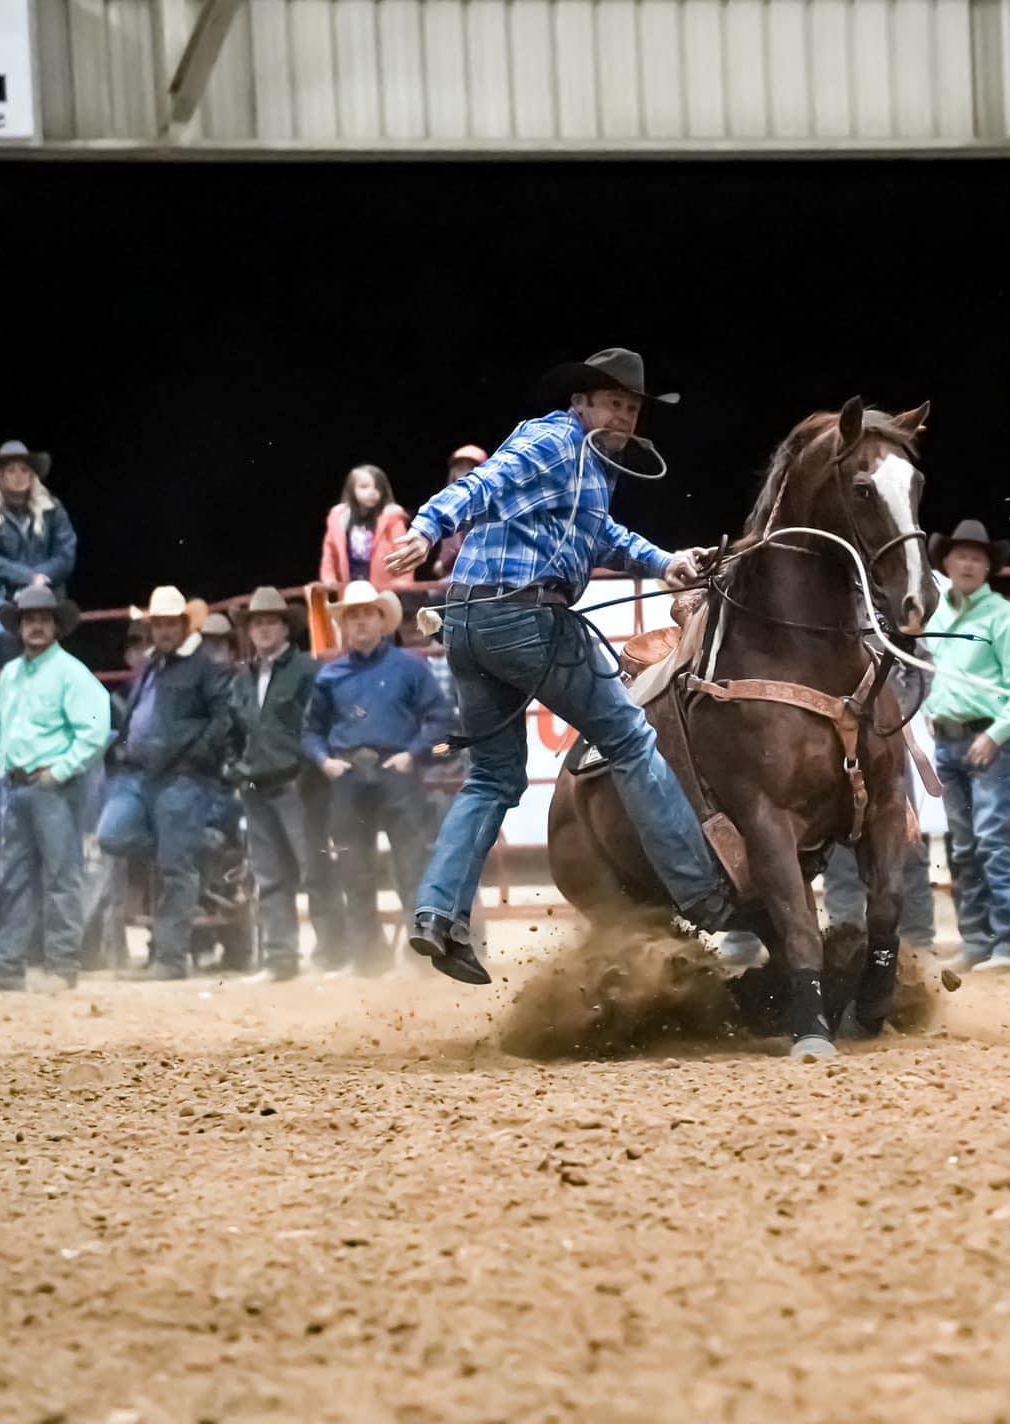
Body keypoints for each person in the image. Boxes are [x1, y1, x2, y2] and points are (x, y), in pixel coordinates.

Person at [382, 348, 742, 984]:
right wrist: (429, 525)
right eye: (614, 403)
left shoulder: (590, 467)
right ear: (581, 402)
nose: (625, 417)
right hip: (522, 616)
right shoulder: (554, 440)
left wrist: (664, 563)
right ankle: (704, 896)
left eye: (632, 409)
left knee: (493, 777)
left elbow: (600, 535)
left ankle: (438, 914)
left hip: (468, 622)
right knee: (630, 739)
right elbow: (483, 483)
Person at [303, 582, 451, 976]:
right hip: (349, 774)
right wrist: (324, 761)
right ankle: (368, 959)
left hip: (395, 771)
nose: (359, 622)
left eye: (367, 613)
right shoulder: (329, 675)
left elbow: (440, 718)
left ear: (382, 621)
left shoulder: (410, 667)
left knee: (411, 865)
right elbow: (311, 730)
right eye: (352, 615)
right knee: (355, 870)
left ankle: (421, 957)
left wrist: (413, 754)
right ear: (345, 625)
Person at [91, 586, 234, 981]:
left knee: (175, 869)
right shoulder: (154, 665)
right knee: (112, 835)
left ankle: (170, 960)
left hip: (181, 777)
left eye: (171, 623)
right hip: (141, 775)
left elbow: (224, 718)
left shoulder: (204, 666)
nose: (164, 630)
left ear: (185, 625)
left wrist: (195, 755)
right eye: (158, 624)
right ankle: (187, 840)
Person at [923, 521, 1010, 974]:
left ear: (989, 566)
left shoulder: (1005, 617)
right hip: (949, 740)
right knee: (963, 844)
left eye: (977, 557)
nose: (969, 564)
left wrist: (995, 734)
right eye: (961, 556)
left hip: (988, 738)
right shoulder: (937, 615)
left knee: (990, 839)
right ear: (947, 563)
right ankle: (977, 938)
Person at [0, 585, 109, 993]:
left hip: (52, 786)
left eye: (43, 619)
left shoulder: (72, 672)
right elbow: (3, 727)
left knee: (61, 876)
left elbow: (96, 729)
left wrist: (61, 770)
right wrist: (1, 761)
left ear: (55, 625)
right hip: (18, 785)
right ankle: (8, 967)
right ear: (19, 627)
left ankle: (61, 965)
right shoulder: (10, 674)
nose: (36, 626)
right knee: (16, 878)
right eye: (29, 620)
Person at [230, 586, 343, 982]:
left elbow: (319, 727)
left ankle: (332, 953)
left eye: (269, 622)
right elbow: (232, 729)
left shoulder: (307, 672)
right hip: (256, 787)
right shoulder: (243, 677)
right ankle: (280, 959)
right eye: (256, 623)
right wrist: (236, 768)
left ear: (284, 628)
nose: (262, 629)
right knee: (270, 876)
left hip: (297, 785)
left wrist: (305, 771)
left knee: (313, 870)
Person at [0, 441, 77, 663]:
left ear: (32, 475)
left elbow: (66, 552)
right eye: (11, 470)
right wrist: (28, 577)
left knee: (49, 644)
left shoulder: (52, 509)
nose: (19, 475)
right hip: (0, 593)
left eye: (24, 470)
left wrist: (42, 577)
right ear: (1, 476)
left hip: (47, 590)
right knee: (5, 636)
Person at [320, 464, 413, 592]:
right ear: (352, 489)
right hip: (351, 588)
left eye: (377, 488)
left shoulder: (392, 517)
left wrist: (403, 583)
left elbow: (403, 553)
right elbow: (329, 554)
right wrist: (329, 579)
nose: (371, 492)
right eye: (364, 487)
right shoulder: (339, 519)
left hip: (385, 589)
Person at [431, 445, 489, 579]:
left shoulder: (487, 503)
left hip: (479, 570)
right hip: (453, 570)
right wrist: (442, 562)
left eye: (471, 468)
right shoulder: (446, 502)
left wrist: (445, 562)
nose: (465, 473)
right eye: (460, 468)